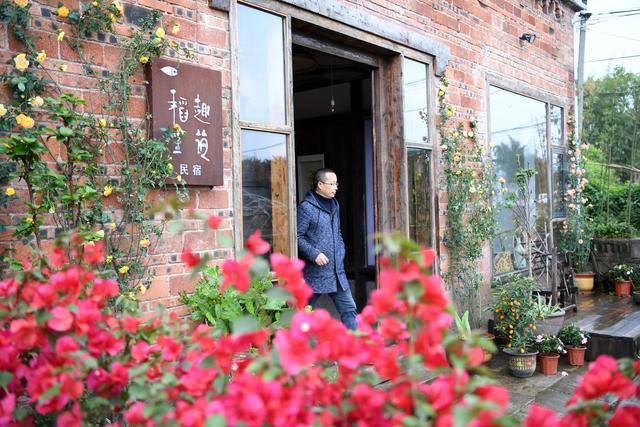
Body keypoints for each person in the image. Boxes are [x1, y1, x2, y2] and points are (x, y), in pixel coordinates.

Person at [297, 168, 357, 330]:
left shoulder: (334, 205)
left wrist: (341, 250)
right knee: (303, 314)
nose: (336, 187)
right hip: (314, 273)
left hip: (337, 271)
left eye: (336, 183)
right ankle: (299, 351)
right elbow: (297, 237)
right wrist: (314, 254)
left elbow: (337, 232)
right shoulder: (306, 208)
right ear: (320, 185)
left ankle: (356, 348)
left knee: (349, 309)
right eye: (332, 184)